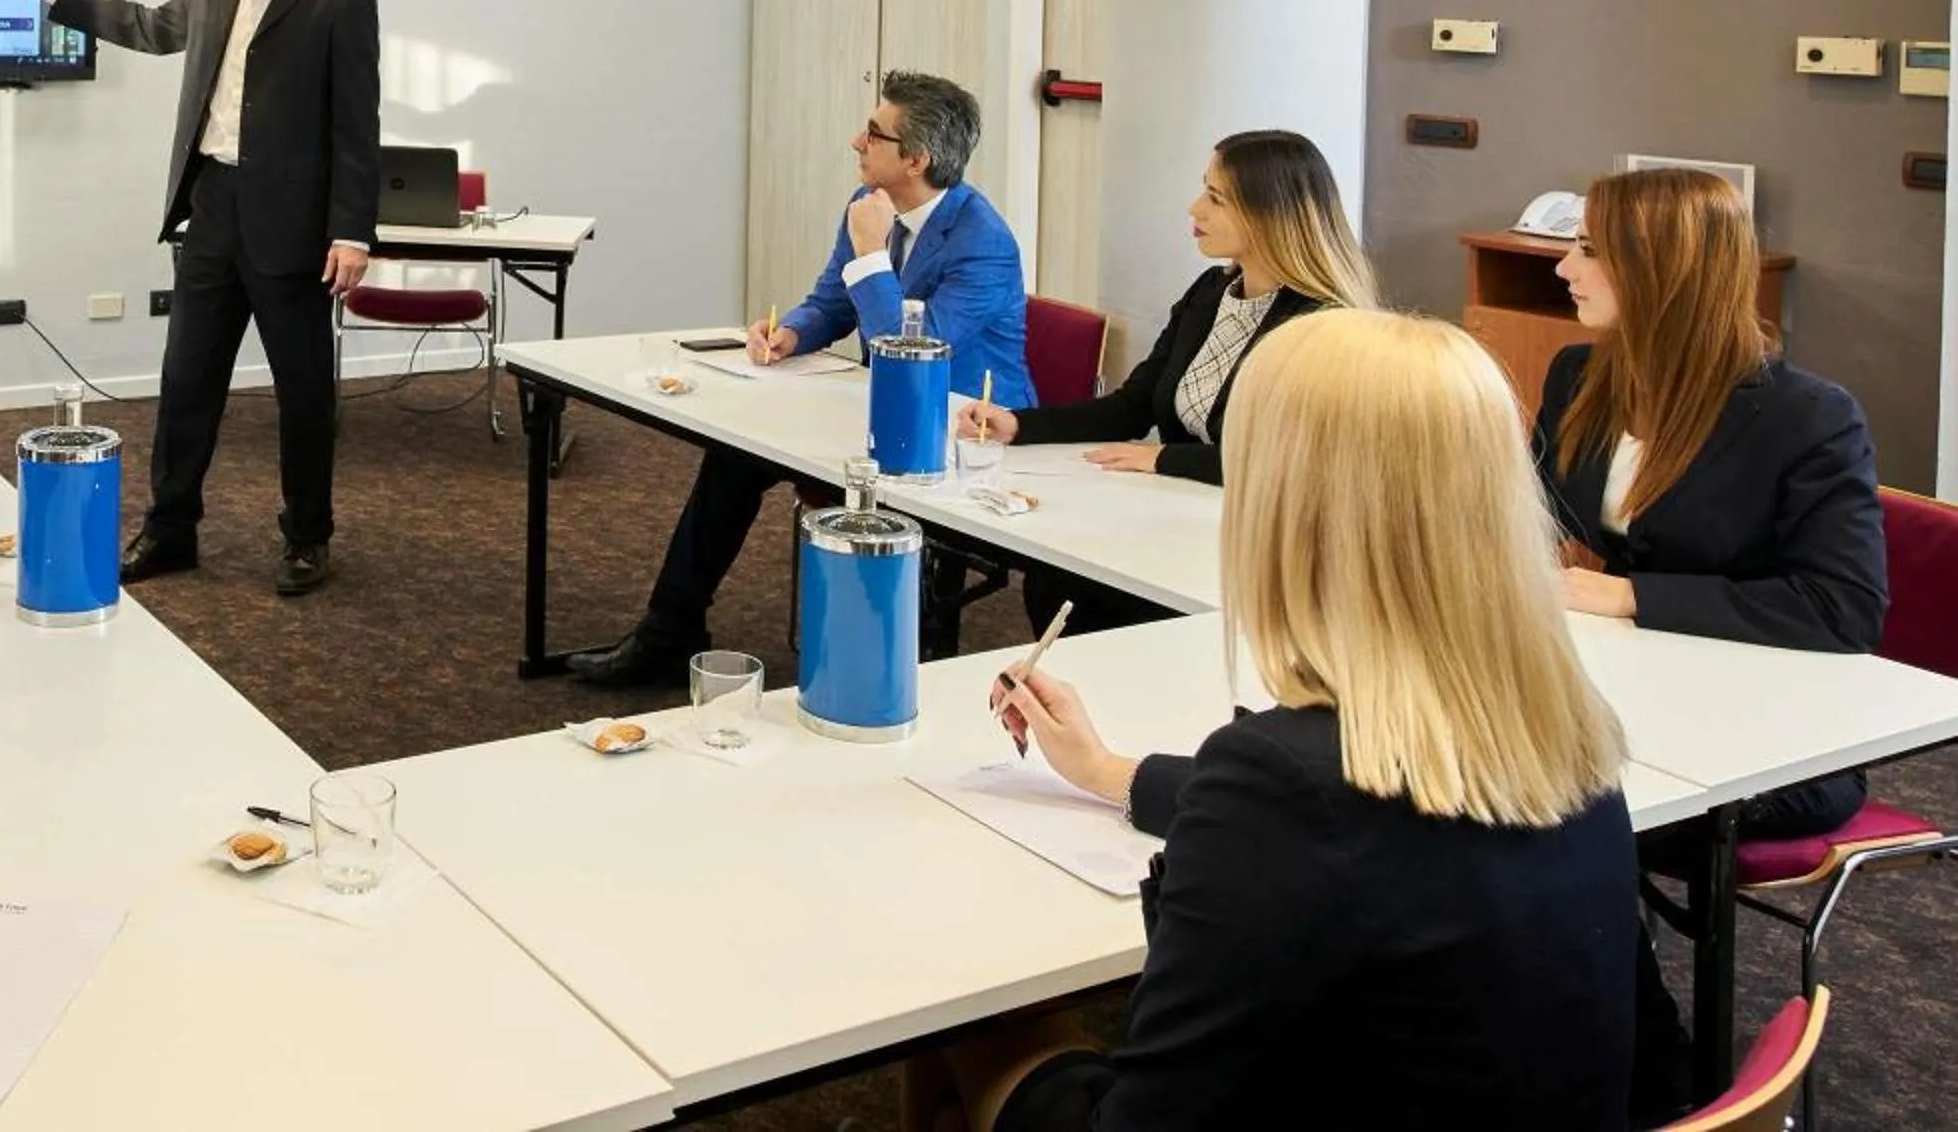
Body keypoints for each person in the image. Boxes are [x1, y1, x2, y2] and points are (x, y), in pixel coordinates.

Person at [915, 310, 1641, 1132]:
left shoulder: (1279, 782)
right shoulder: (1564, 734)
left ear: (1288, 508)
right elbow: (1374, 797)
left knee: (964, 1010)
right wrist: (1109, 770)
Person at [568, 73, 1033, 689]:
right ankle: (669, 630)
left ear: (915, 158)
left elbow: (912, 352)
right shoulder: (868, 205)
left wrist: (870, 255)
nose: (855, 142)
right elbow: (833, 303)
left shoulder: (984, 243)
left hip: (965, 433)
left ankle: (907, 668)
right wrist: (791, 332)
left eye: (873, 134)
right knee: (733, 457)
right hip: (882, 412)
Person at [5, 0, 378, 597]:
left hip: (295, 228)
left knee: (304, 393)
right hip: (211, 208)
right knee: (185, 382)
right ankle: (172, 529)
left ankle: (308, 538)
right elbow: (150, 27)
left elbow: (354, 127)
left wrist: (351, 231)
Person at [1538, 166, 1886, 845]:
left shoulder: (1807, 417)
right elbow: (1531, 512)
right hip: (1636, 686)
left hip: (1773, 729)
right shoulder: (1579, 376)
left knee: (1548, 803)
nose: (1561, 266)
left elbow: (1842, 608)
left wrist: (1633, 596)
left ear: (1662, 269)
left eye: (1588, 249)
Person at [960, 130, 1376, 633]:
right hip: (1185, 517)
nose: (1194, 208)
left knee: (1097, 598)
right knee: (1058, 576)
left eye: (1215, 198)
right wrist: (1018, 426)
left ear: (1269, 215)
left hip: (1271, 541)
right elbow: (1134, 405)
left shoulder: (1321, 325)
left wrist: (1163, 458)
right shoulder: (1212, 292)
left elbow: (1285, 460)